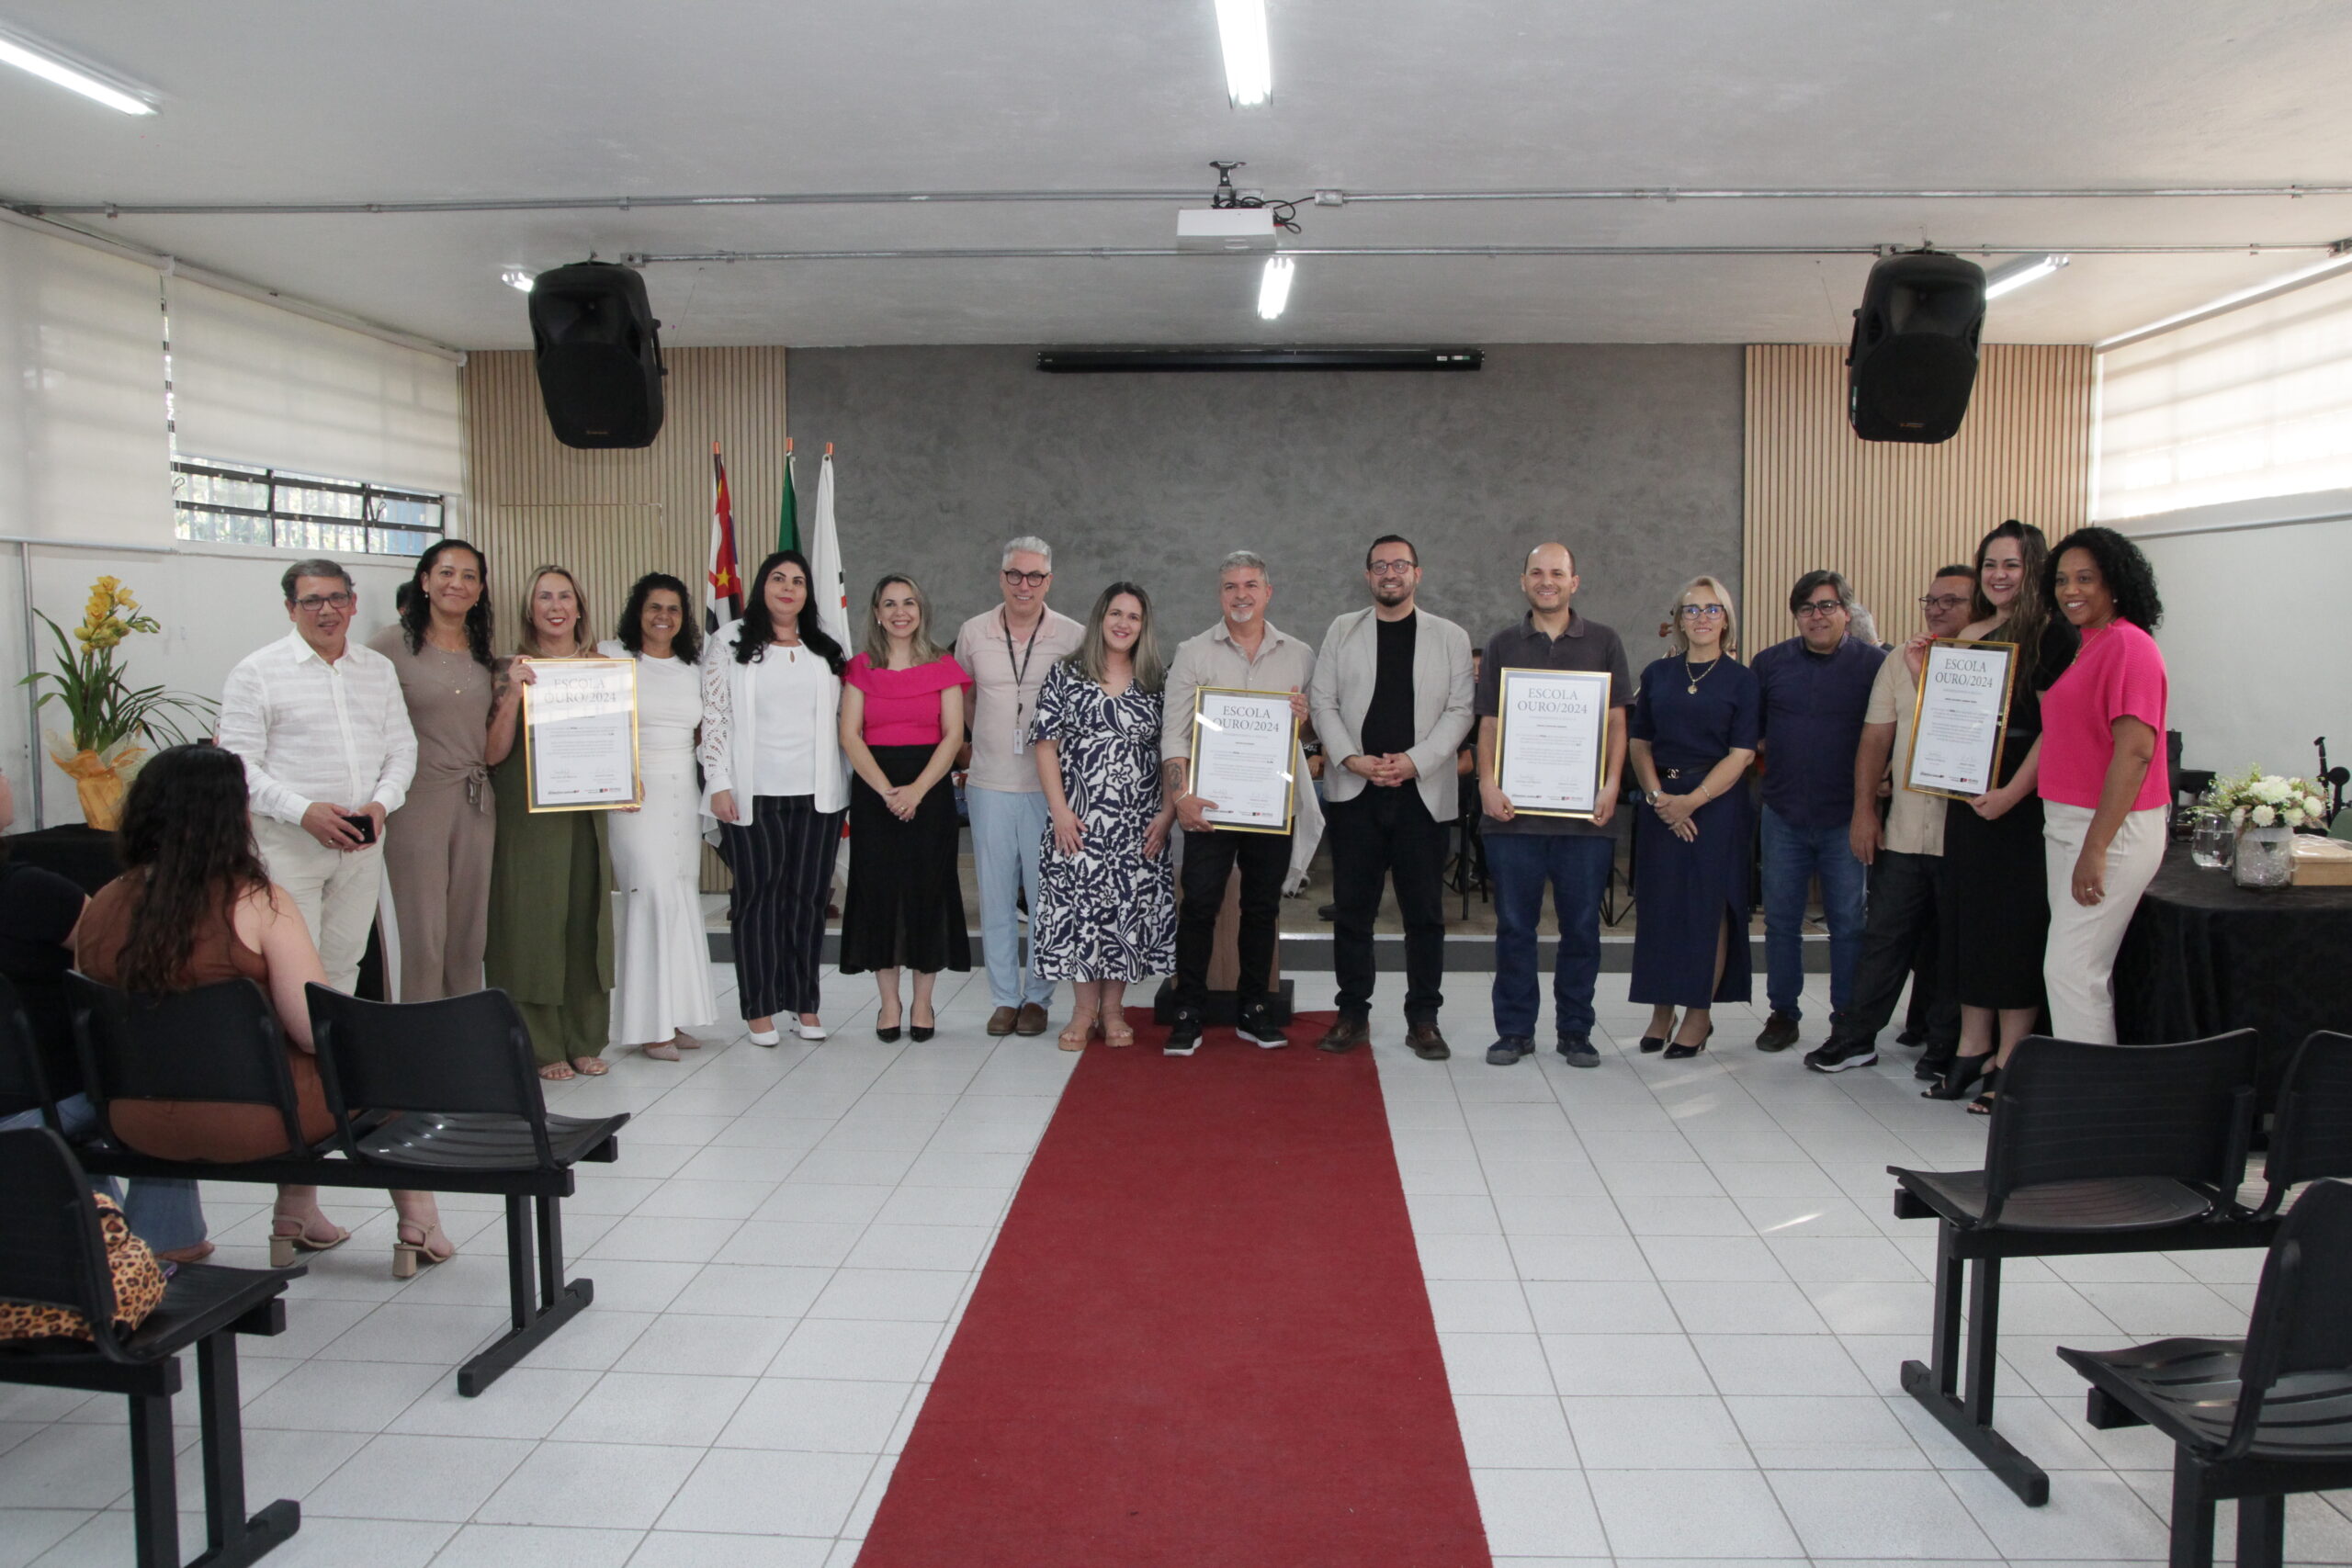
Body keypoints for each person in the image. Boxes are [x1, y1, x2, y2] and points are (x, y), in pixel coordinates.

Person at [71, 744, 452, 1271]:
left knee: (296, 1069)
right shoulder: (257, 902)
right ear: (231, 818)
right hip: (254, 1123)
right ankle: (419, 1222)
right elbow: (314, 1029)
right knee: (377, 1059)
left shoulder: (102, 902)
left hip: (133, 1119)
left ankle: (299, 1213)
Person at [0, 768, 208, 1262]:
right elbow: (118, 969)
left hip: (28, 1101)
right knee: (158, 1080)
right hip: (39, 1102)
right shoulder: (33, 892)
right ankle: (166, 1242)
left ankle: (104, 1238)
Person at [1919, 521, 2078, 1107]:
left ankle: (2012, 1056)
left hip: (2019, 804)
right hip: (1967, 798)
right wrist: (1922, 676)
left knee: (2012, 929)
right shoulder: (1972, 631)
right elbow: (1952, 716)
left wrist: (2011, 793)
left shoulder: (2054, 635)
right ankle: (1972, 1046)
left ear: (2034, 568)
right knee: (1968, 922)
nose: (1998, 575)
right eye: (1989, 564)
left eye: (2011, 564)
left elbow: (2055, 730)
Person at [1803, 565, 1976, 1073]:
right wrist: (1864, 810)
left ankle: (1945, 1047)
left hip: (1966, 834)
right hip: (1904, 830)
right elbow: (1875, 738)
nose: (1937, 609)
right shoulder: (1900, 658)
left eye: (1951, 601)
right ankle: (1854, 1037)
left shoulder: (1993, 663)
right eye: (1931, 600)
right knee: (1882, 938)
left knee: (1954, 945)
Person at [1307, 534, 1476, 1059]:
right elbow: (1322, 702)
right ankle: (1352, 1014)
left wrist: (1415, 761)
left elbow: (1460, 710)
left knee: (1423, 914)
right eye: (1379, 566)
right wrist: (1350, 758)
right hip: (1356, 790)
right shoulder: (1342, 629)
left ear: (1417, 574)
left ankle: (1423, 1018)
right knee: (1352, 912)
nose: (1389, 574)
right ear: (1367, 576)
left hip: (1421, 793)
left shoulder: (1449, 636)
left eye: (1399, 565)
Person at [217, 558, 416, 994]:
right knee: (290, 969)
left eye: (337, 598)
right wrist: (305, 812)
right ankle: (295, 1044)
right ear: (291, 608)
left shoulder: (377, 669)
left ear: (353, 603)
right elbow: (237, 768)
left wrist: (382, 804)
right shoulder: (256, 672)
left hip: (362, 845)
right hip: (289, 845)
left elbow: (402, 749)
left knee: (345, 964)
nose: (327, 610)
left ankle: (333, 1041)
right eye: (312, 601)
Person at [1475, 543, 1630, 1068]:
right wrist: (1487, 783)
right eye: (1537, 573)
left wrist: (1612, 784)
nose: (1548, 581)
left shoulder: (1605, 642)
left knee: (1581, 928)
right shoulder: (1502, 644)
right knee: (1514, 928)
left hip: (1585, 818)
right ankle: (1515, 1031)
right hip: (1513, 817)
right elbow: (1490, 722)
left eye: (1557, 573)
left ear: (1574, 582)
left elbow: (1616, 722)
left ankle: (1575, 1030)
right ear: (1523, 581)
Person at [1159, 551, 1316, 1056]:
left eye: (1250, 585)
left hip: (1271, 806)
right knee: (1199, 904)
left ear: (1268, 592)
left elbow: (1308, 733)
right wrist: (1181, 797)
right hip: (1209, 805)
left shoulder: (1299, 655)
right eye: (1231, 586)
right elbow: (1174, 733)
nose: (1241, 594)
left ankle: (1254, 1007)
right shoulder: (1192, 652)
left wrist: (1305, 718)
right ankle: (1188, 1009)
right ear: (1220, 594)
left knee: (1262, 907)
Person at [703, 549, 849, 1046]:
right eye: (779, 579)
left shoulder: (825, 648)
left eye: (798, 581)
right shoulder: (729, 641)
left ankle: (804, 1003)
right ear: (762, 585)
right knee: (757, 900)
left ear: (808, 593)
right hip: (752, 794)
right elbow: (715, 716)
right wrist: (718, 781)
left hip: (818, 795)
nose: (788, 588)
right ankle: (760, 1007)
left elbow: (843, 719)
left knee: (809, 899)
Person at [1029, 582, 1176, 1050]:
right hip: (1079, 823)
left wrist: (1168, 813)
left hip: (1138, 826)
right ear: (1100, 617)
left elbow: (1175, 751)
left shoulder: (1158, 681)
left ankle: (1113, 1011)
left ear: (1144, 626)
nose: (1123, 623)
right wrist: (1059, 812)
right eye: (1116, 613)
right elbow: (1045, 745)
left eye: (1134, 616)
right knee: (1081, 916)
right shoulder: (1066, 673)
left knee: (1125, 916)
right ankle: (1082, 1011)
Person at [2037, 526, 2168, 1046]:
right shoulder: (2087, 644)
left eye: (2086, 578)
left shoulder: (2130, 647)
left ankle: (2089, 1092)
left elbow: (2135, 753)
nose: (2071, 590)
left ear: (2115, 583)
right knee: (2076, 972)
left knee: (2072, 973)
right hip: (2068, 823)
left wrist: (2095, 848)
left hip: (2111, 830)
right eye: (2062, 579)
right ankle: (2088, 1083)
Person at [486, 566, 616, 1078]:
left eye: (565, 597)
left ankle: (584, 1037)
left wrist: (626, 783)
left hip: (585, 812)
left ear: (579, 608)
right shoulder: (507, 668)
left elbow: (616, 741)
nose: (556, 606)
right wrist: (513, 697)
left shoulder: (602, 668)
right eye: (544, 597)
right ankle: (540, 1044)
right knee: (533, 923)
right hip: (528, 814)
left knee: (586, 922)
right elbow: (492, 754)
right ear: (530, 608)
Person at [954, 537, 1085, 1038]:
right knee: (995, 896)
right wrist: (982, 744)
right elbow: (964, 697)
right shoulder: (974, 632)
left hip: (1048, 789)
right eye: (1014, 574)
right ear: (1001, 577)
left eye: (1034, 576)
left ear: (1049, 581)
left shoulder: (1072, 636)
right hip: (989, 784)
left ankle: (1038, 998)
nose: (1023, 585)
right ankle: (1005, 998)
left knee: (1047, 897)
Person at [1748, 570, 1884, 1052]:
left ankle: (1846, 1018)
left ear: (1847, 612)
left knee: (1848, 924)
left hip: (1847, 817)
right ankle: (1783, 1014)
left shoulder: (1875, 666)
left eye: (1827, 606)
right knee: (1781, 922)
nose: (1817, 616)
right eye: (1806, 608)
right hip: (1782, 813)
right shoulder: (1769, 664)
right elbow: (1752, 733)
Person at [1627, 578, 1760, 1056]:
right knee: (1660, 908)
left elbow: (1743, 753)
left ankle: (1698, 1015)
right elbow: (1639, 742)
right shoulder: (1658, 674)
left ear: (1726, 619)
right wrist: (1659, 797)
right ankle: (1661, 1010)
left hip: (1716, 806)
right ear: (1679, 620)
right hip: (1661, 801)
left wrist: (1692, 801)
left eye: (1712, 609)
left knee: (1707, 910)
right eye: (1692, 609)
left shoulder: (1742, 680)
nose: (1702, 617)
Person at [839, 573, 972, 1041]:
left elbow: (953, 736)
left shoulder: (943, 665)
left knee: (926, 893)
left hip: (929, 791)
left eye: (909, 603)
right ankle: (889, 1003)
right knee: (880, 894)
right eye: (890, 604)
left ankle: (922, 1003)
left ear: (921, 610)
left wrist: (915, 791)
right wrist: (887, 791)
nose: (900, 612)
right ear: (877, 614)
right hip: (875, 793)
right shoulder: (860, 668)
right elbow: (849, 735)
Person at [368, 539, 501, 1001]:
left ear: (480, 590)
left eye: (469, 576)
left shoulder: (483, 651)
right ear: (424, 581)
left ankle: (459, 1028)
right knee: (422, 930)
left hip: (476, 803)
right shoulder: (388, 645)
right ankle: (416, 1029)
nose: (456, 584)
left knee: (468, 930)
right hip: (416, 802)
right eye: (446, 572)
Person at [599, 573, 720, 1061]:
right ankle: (648, 1025)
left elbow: (706, 733)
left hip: (681, 791)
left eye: (673, 608)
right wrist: (619, 773)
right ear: (638, 611)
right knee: (648, 894)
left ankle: (673, 1015)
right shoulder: (612, 657)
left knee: (680, 895)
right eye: (654, 607)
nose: (663, 617)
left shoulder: (695, 668)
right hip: (633, 794)